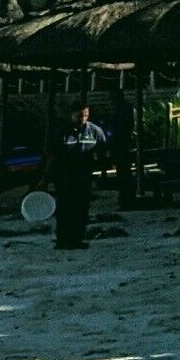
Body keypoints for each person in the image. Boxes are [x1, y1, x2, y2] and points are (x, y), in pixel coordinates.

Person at [54, 102, 109, 250]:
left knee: (81, 209)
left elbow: (103, 152)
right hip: (66, 176)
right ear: (71, 115)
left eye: (85, 115)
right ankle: (62, 240)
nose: (82, 118)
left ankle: (78, 239)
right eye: (79, 115)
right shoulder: (62, 132)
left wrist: (102, 173)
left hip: (85, 176)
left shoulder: (95, 131)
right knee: (65, 209)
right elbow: (53, 155)